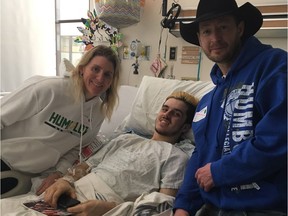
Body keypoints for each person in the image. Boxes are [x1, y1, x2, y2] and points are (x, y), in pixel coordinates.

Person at [173, 0, 287, 215]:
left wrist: (219, 171)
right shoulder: (207, 102)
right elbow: (200, 155)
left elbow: (280, 137)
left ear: (240, 28)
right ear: (199, 38)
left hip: (263, 207)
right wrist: (183, 206)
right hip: (213, 207)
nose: (215, 38)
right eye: (206, 31)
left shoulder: (274, 66)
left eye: (223, 27)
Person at [43, 91, 199, 216]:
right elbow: (86, 166)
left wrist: (110, 209)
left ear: (185, 127)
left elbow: (163, 206)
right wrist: (65, 180)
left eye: (176, 114)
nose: (167, 114)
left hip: (107, 207)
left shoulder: (177, 157)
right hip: (70, 192)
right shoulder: (125, 138)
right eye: (165, 109)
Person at [0, 45, 120, 197]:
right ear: (82, 68)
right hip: (5, 159)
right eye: (95, 69)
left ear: (112, 81)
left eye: (107, 74)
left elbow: (76, 149)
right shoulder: (49, 89)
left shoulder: (98, 113)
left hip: (32, 175)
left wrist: (58, 172)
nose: (100, 78)